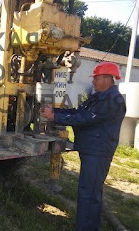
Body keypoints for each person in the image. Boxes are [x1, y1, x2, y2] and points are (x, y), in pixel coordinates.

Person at [40, 62, 126, 231]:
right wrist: (55, 114)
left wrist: (55, 116)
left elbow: (86, 118)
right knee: (90, 191)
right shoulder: (99, 97)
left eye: (97, 78)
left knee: (89, 193)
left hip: (98, 152)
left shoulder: (114, 101)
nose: (93, 82)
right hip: (91, 150)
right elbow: (78, 112)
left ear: (108, 79)